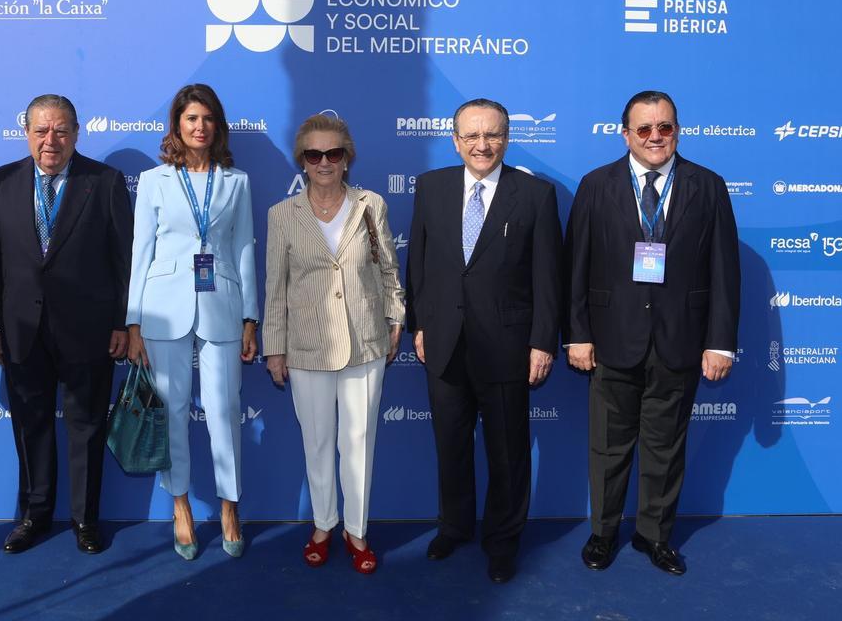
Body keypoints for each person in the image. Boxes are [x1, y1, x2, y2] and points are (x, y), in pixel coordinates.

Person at [564, 90, 740, 576]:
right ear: (626, 135)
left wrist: (719, 341)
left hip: (679, 339)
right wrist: (577, 333)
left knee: (666, 446)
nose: (655, 137)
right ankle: (603, 533)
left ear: (677, 130)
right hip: (611, 339)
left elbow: (725, 271)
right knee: (608, 445)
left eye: (665, 127)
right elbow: (575, 266)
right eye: (644, 129)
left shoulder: (708, 186)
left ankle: (654, 535)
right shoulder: (596, 185)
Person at [405, 98, 561, 584]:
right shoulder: (431, 188)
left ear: (507, 138)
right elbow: (421, 265)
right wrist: (420, 325)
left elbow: (547, 278)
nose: (482, 144)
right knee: (450, 446)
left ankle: (502, 541)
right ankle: (453, 527)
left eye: (491, 135)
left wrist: (542, 342)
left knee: (507, 452)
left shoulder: (535, 195)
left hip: (508, 347)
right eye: (471, 136)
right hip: (445, 343)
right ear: (455, 141)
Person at [0, 94, 133, 555]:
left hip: (89, 329)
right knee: (31, 426)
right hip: (20, 327)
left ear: (76, 133)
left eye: (61, 130)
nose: (51, 140)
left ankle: (86, 520)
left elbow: (123, 259)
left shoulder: (103, 182)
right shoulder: (1, 181)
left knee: (87, 426)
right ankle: (34, 515)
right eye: (42, 130)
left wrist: (122, 323)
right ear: (26, 132)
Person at [264, 114, 404, 574]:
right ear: (302, 161)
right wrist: (274, 347)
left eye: (334, 153)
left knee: (360, 441)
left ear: (347, 158)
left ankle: (357, 530)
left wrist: (396, 315)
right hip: (306, 346)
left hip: (365, 340)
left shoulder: (371, 205)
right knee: (318, 441)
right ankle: (324, 523)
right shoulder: (282, 215)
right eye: (314, 154)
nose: (324, 162)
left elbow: (388, 268)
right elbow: (275, 288)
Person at [126, 84, 259, 560]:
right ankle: (180, 506)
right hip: (163, 308)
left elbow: (244, 248)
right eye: (190, 119)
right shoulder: (154, 180)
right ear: (177, 126)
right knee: (173, 413)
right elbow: (142, 252)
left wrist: (250, 316)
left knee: (224, 412)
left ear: (216, 126)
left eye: (207, 119)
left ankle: (229, 507)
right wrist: (134, 322)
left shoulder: (237, 181)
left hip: (222, 304)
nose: (199, 127)